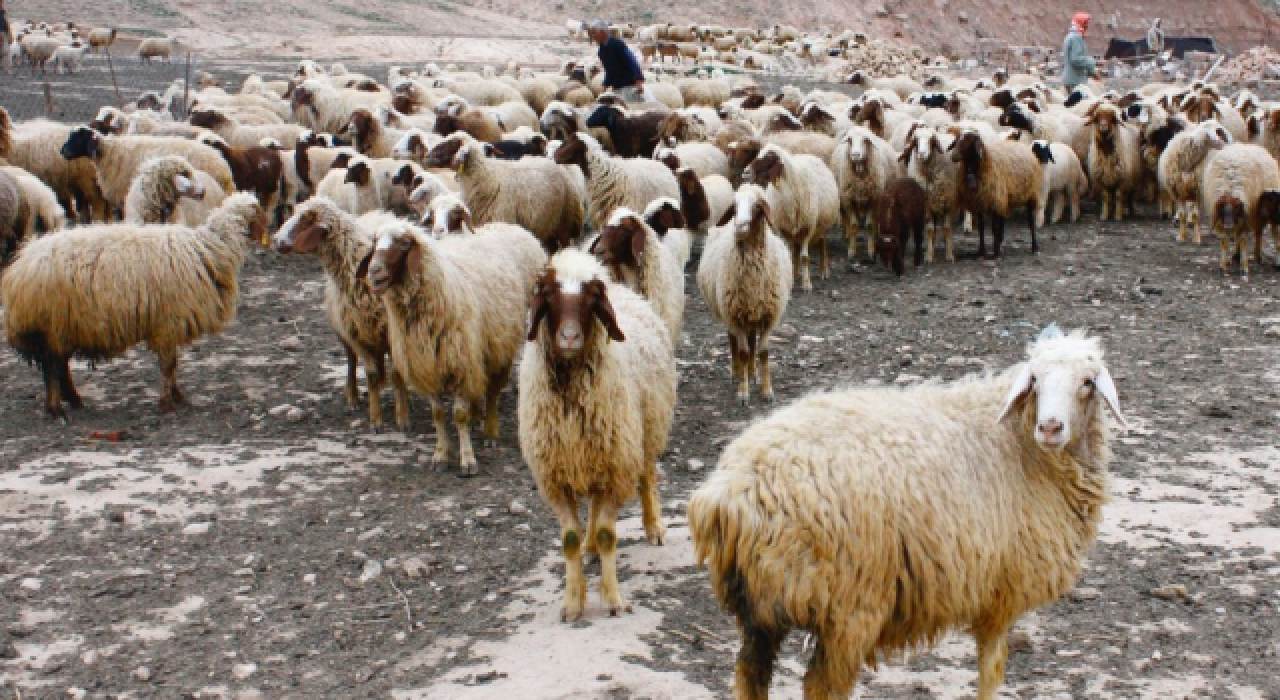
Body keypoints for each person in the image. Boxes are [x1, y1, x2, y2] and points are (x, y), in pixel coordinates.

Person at [586, 19, 647, 104]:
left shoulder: (617, 44)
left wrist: (638, 80)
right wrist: (605, 85)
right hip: (617, 88)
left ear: (602, 32)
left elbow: (632, 60)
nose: (593, 36)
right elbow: (609, 70)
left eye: (594, 33)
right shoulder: (602, 51)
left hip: (629, 86)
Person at [1062, 12, 1097, 90]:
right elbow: (1076, 59)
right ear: (1081, 23)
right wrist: (1091, 62)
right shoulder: (1076, 38)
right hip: (1075, 81)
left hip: (1071, 80)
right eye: (1085, 23)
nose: (1087, 25)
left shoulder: (1070, 36)